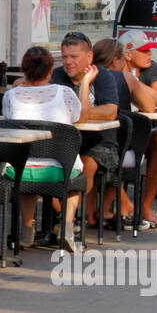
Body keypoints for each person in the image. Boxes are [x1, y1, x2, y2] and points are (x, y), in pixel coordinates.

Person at [2, 46, 84, 251]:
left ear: (24, 70)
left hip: (19, 170)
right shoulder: (64, 93)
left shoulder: (11, 96)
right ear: (50, 71)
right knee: (76, 180)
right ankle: (66, 224)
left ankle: (27, 230)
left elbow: (8, 120)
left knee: (26, 166)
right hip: (59, 170)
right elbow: (77, 117)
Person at [93, 36, 157, 228]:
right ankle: (143, 206)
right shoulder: (124, 77)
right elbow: (150, 106)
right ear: (118, 60)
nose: (149, 54)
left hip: (91, 139)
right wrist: (133, 83)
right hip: (117, 143)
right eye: (144, 50)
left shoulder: (86, 75)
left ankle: (120, 206)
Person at [49, 31, 120, 227]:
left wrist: (82, 110)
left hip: (99, 143)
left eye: (74, 57)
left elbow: (110, 111)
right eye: (64, 57)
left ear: (89, 57)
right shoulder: (57, 76)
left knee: (86, 163)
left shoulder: (103, 77)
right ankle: (65, 217)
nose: (68, 62)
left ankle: (66, 219)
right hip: (66, 141)